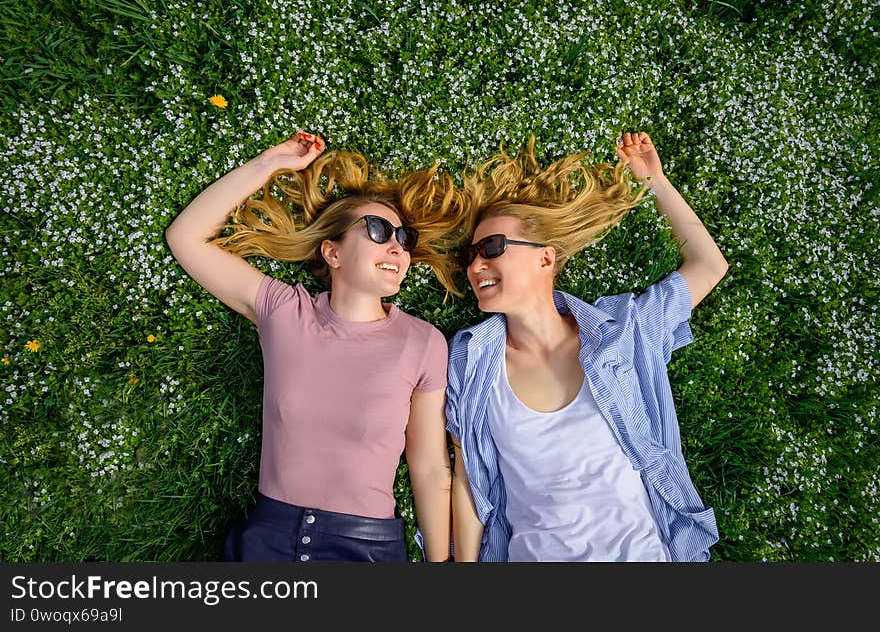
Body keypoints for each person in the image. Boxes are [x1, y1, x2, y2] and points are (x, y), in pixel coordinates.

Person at [166, 130, 464, 562]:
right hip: (268, 540)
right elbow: (186, 238)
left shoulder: (422, 342)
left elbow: (431, 469)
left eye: (404, 239)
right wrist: (268, 164)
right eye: (380, 231)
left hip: (365, 549)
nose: (397, 247)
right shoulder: (285, 311)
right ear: (332, 252)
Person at [446, 131, 727, 561]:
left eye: (492, 248)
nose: (476, 265)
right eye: (471, 255)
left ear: (545, 258)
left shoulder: (623, 332)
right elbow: (469, 480)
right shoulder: (471, 360)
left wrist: (655, 181)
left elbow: (709, 266)